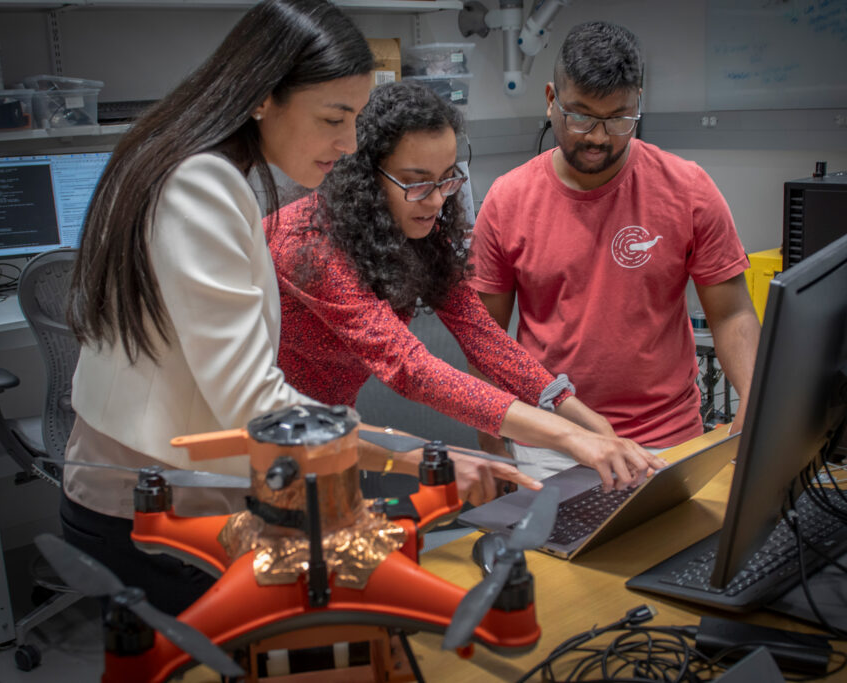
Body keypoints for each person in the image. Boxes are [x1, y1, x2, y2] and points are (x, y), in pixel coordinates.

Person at [60, 1, 515, 615]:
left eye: (355, 118)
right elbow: (258, 407)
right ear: (263, 97)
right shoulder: (203, 187)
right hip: (152, 509)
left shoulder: (180, 163)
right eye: (334, 117)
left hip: (154, 487)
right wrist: (416, 458)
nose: (349, 142)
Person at [267, 81, 665, 504]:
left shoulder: (417, 227)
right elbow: (410, 368)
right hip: (253, 433)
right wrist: (567, 437)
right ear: (366, 178)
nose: (437, 200)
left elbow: (482, 335)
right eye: (417, 183)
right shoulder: (308, 245)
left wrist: (584, 417)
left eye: (447, 179)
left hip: (326, 429)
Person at [468, 21, 761, 480]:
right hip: (552, 442)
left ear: (639, 103)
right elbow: (485, 338)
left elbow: (730, 313)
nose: (599, 137)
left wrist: (753, 397)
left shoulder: (687, 188)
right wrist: (491, 441)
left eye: (619, 118)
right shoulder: (508, 200)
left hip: (667, 438)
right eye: (581, 116)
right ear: (550, 100)